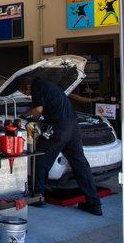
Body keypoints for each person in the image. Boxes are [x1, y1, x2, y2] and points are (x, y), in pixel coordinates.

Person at [18, 76, 102, 215]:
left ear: (27, 86)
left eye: (25, 92)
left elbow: (38, 110)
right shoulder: (50, 84)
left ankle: (37, 196)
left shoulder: (37, 85)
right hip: (73, 127)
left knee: (40, 158)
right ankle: (94, 204)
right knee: (80, 164)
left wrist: (31, 121)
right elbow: (36, 109)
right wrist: (24, 115)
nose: (26, 95)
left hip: (58, 127)